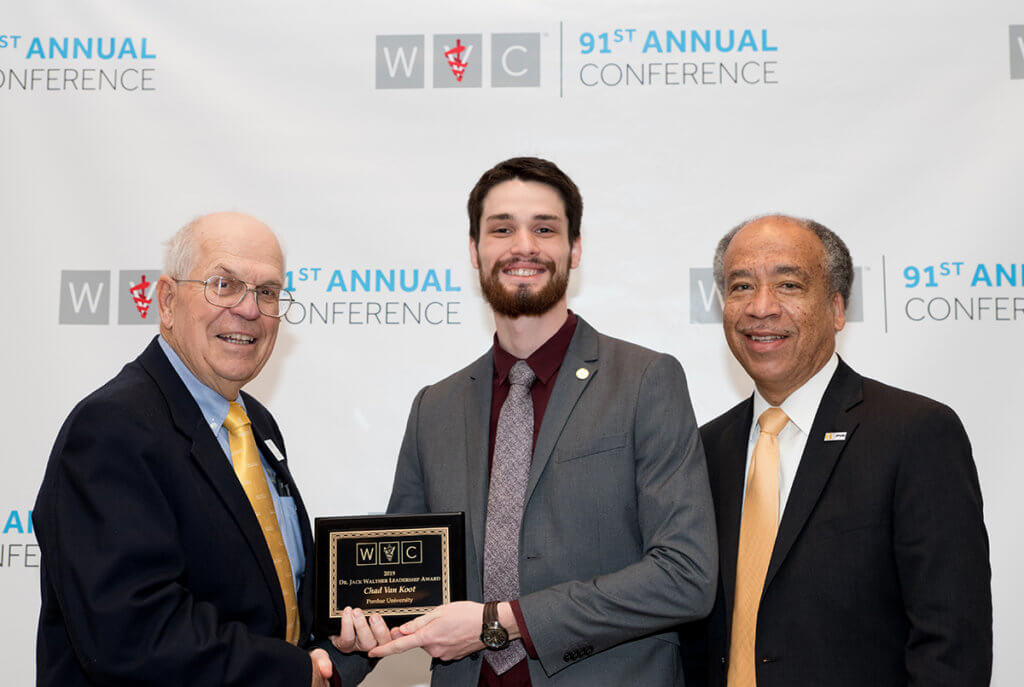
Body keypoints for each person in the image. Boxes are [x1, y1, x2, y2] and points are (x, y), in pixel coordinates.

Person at [356, 157, 717, 686]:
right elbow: (406, 586)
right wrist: (347, 641)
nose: (522, 246)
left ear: (574, 250)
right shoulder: (434, 407)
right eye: (501, 229)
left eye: (544, 228)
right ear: (475, 250)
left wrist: (499, 624)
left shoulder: (645, 381)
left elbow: (684, 575)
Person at [34, 212, 379, 686]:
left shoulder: (255, 422)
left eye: (268, 292)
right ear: (168, 301)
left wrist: (334, 644)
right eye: (224, 284)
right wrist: (296, 675)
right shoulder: (111, 429)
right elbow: (133, 635)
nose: (249, 310)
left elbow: (274, 604)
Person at [689, 214, 992, 686]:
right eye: (741, 286)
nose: (760, 307)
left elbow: (951, 643)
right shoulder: (704, 450)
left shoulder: (915, 433)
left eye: (788, 285)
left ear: (836, 308)